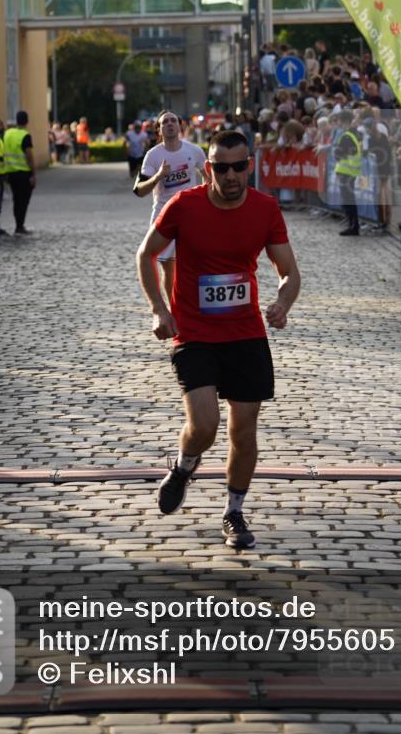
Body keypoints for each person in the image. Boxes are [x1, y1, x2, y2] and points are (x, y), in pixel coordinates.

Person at [136, 130, 301, 551]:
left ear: (250, 166)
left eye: (238, 167)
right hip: (194, 332)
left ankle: (234, 511)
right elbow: (146, 254)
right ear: (208, 168)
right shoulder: (183, 206)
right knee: (205, 426)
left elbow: (289, 272)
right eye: (221, 168)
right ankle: (183, 466)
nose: (230, 176)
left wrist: (283, 302)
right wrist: (159, 309)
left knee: (243, 430)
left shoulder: (265, 209)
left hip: (245, 333)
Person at [134, 110, 206, 302]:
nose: (170, 124)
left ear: (180, 126)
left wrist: (204, 198)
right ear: (159, 130)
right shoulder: (153, 155)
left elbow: (208, 176)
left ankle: (192, 304)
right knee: (168, 266)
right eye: (165, 122)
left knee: (193, 263)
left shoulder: (194, 150)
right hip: (164, 214)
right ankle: (175, 308)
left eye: (173, 120)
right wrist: (158, 176)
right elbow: (139, 190)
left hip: (190, 213)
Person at [2, 110, 36, 235]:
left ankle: (18, 224)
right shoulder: (25, 135)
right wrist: (33, 173)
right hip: (23, 172)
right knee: (23, 200)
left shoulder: (7, 133)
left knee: (16, 199)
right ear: (27, 121)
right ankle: (19, 226)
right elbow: (29, 155)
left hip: (10, 171)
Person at [333, 109, 362, 236]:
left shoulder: (346, 136)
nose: (338, 122)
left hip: (346, 172)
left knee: (347, 200)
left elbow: (339, 154)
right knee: (349, 200)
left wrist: (337, 152)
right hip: (351, 172)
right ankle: (353, 225)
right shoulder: (353, 133)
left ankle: (353, 226)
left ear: (344, 121)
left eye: (339, 120)